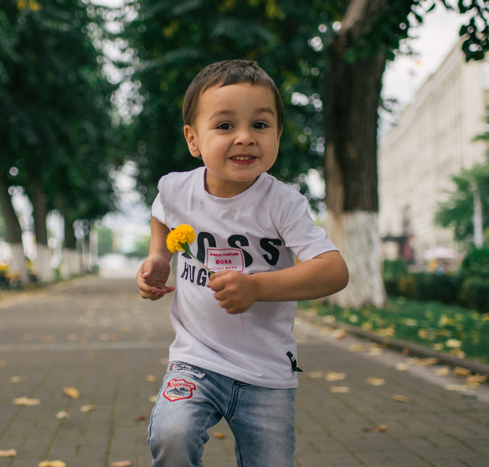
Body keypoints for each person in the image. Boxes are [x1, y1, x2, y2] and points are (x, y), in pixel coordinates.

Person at [136, 60, 349, 467]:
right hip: (195, 359)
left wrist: (256, 288)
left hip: (266, 373)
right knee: (172, 434)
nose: (245, 137)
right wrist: (159, 255)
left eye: (260, 125)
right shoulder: (177, 188)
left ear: (278, 136)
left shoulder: (283, 204)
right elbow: (161, 210)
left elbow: (334, 270)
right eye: (225, 125)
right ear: (193, 139)